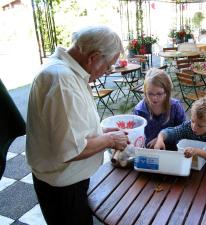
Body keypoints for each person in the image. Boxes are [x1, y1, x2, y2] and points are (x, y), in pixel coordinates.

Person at [26, 26, 129, 225]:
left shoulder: (63, 71)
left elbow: (70, 129)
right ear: (94, 57)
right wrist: (110, 139)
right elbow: (71, 149)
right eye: (107, 66)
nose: (107, 72)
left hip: (64, 184)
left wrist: (102, 131)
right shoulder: (62, 80)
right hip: (63, 188)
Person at [154, 92, 206, 163]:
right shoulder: (188, 126)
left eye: (200, 126)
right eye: (193, 121)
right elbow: (171, 132)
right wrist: (160, 139)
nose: (194, 127)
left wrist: (196, 151)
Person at [133, 68, 186, 149]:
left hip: (172, 151)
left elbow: (184, 131)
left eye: (159, 93)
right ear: (145, 91)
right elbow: (136, 135)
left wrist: (161, 139)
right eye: (150, 93)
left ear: (167, 92)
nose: (154, 98)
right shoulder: (139, 110)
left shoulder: (175, 107)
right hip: (149, 152)